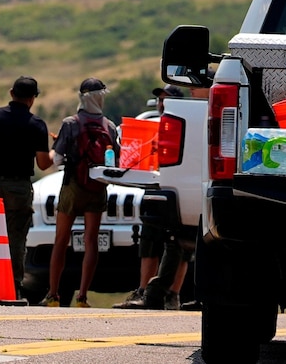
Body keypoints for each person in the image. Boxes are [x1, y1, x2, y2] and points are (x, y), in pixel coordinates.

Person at [0, 76, 54, 299]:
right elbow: (43, 162)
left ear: (11, 93)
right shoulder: (36, 125)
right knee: (16, 237)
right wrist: (57, 149)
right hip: (18, 187)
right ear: (33, 98)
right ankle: (12, 288)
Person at [41, 77, 120, 308]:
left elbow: (56, 160)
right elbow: (114, 159)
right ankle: (83, 296)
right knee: (91, 241)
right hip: (96, 187)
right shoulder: (110, 126)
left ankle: (53, 295)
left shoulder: (70, 123)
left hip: (73, 185)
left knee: (61, 240)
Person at [116, 85, 195, 311]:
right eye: (160, 100)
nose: (161, 104)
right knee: (149, 242)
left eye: (166, 100)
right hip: (153, 188)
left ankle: (172, 295)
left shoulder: (186, 125)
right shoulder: (152, 127)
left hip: (179, 191)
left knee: (182, 246)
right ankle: (143, 292)